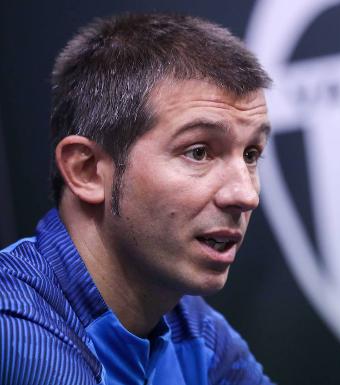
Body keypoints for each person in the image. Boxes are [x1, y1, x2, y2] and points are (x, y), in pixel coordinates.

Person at [0, 12, 274, 385]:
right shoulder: (14, 329)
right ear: (88, 171)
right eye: (198, 152)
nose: (245, 195)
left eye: (251, 154)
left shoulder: (197, 331)